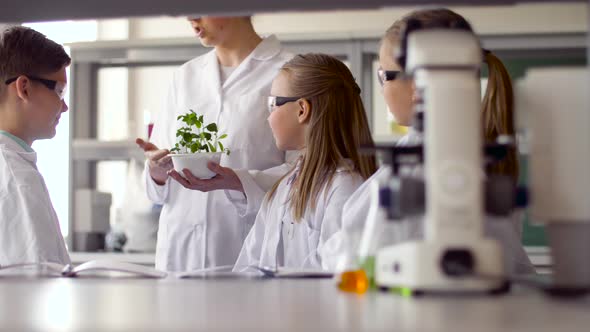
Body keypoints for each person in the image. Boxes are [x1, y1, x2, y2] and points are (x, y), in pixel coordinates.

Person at [322, 8, 534, 275]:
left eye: (383, 76)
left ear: (415, 86)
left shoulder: (424, 166)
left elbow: (350, 258)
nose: (382, 88)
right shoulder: (467, 152)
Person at [136, 16, 298, 272]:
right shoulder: (184, 77)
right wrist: (156, 173)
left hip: (244, 253)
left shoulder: (288, 72)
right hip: (180, 257)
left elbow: (303, 173)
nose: (191, 17)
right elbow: (158, 187)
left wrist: (240, 181)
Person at [233, 53, 377, 271]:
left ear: (302, 110)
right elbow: (249, 265)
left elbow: (335, 275)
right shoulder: (283, 188)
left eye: (273, 104)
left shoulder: (345, 189)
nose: (268, 116)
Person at [0, 26, 71, 265]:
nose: (64, 107)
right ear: (24, 88)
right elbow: (39, 284)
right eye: (60, 91)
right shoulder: (16, 179)